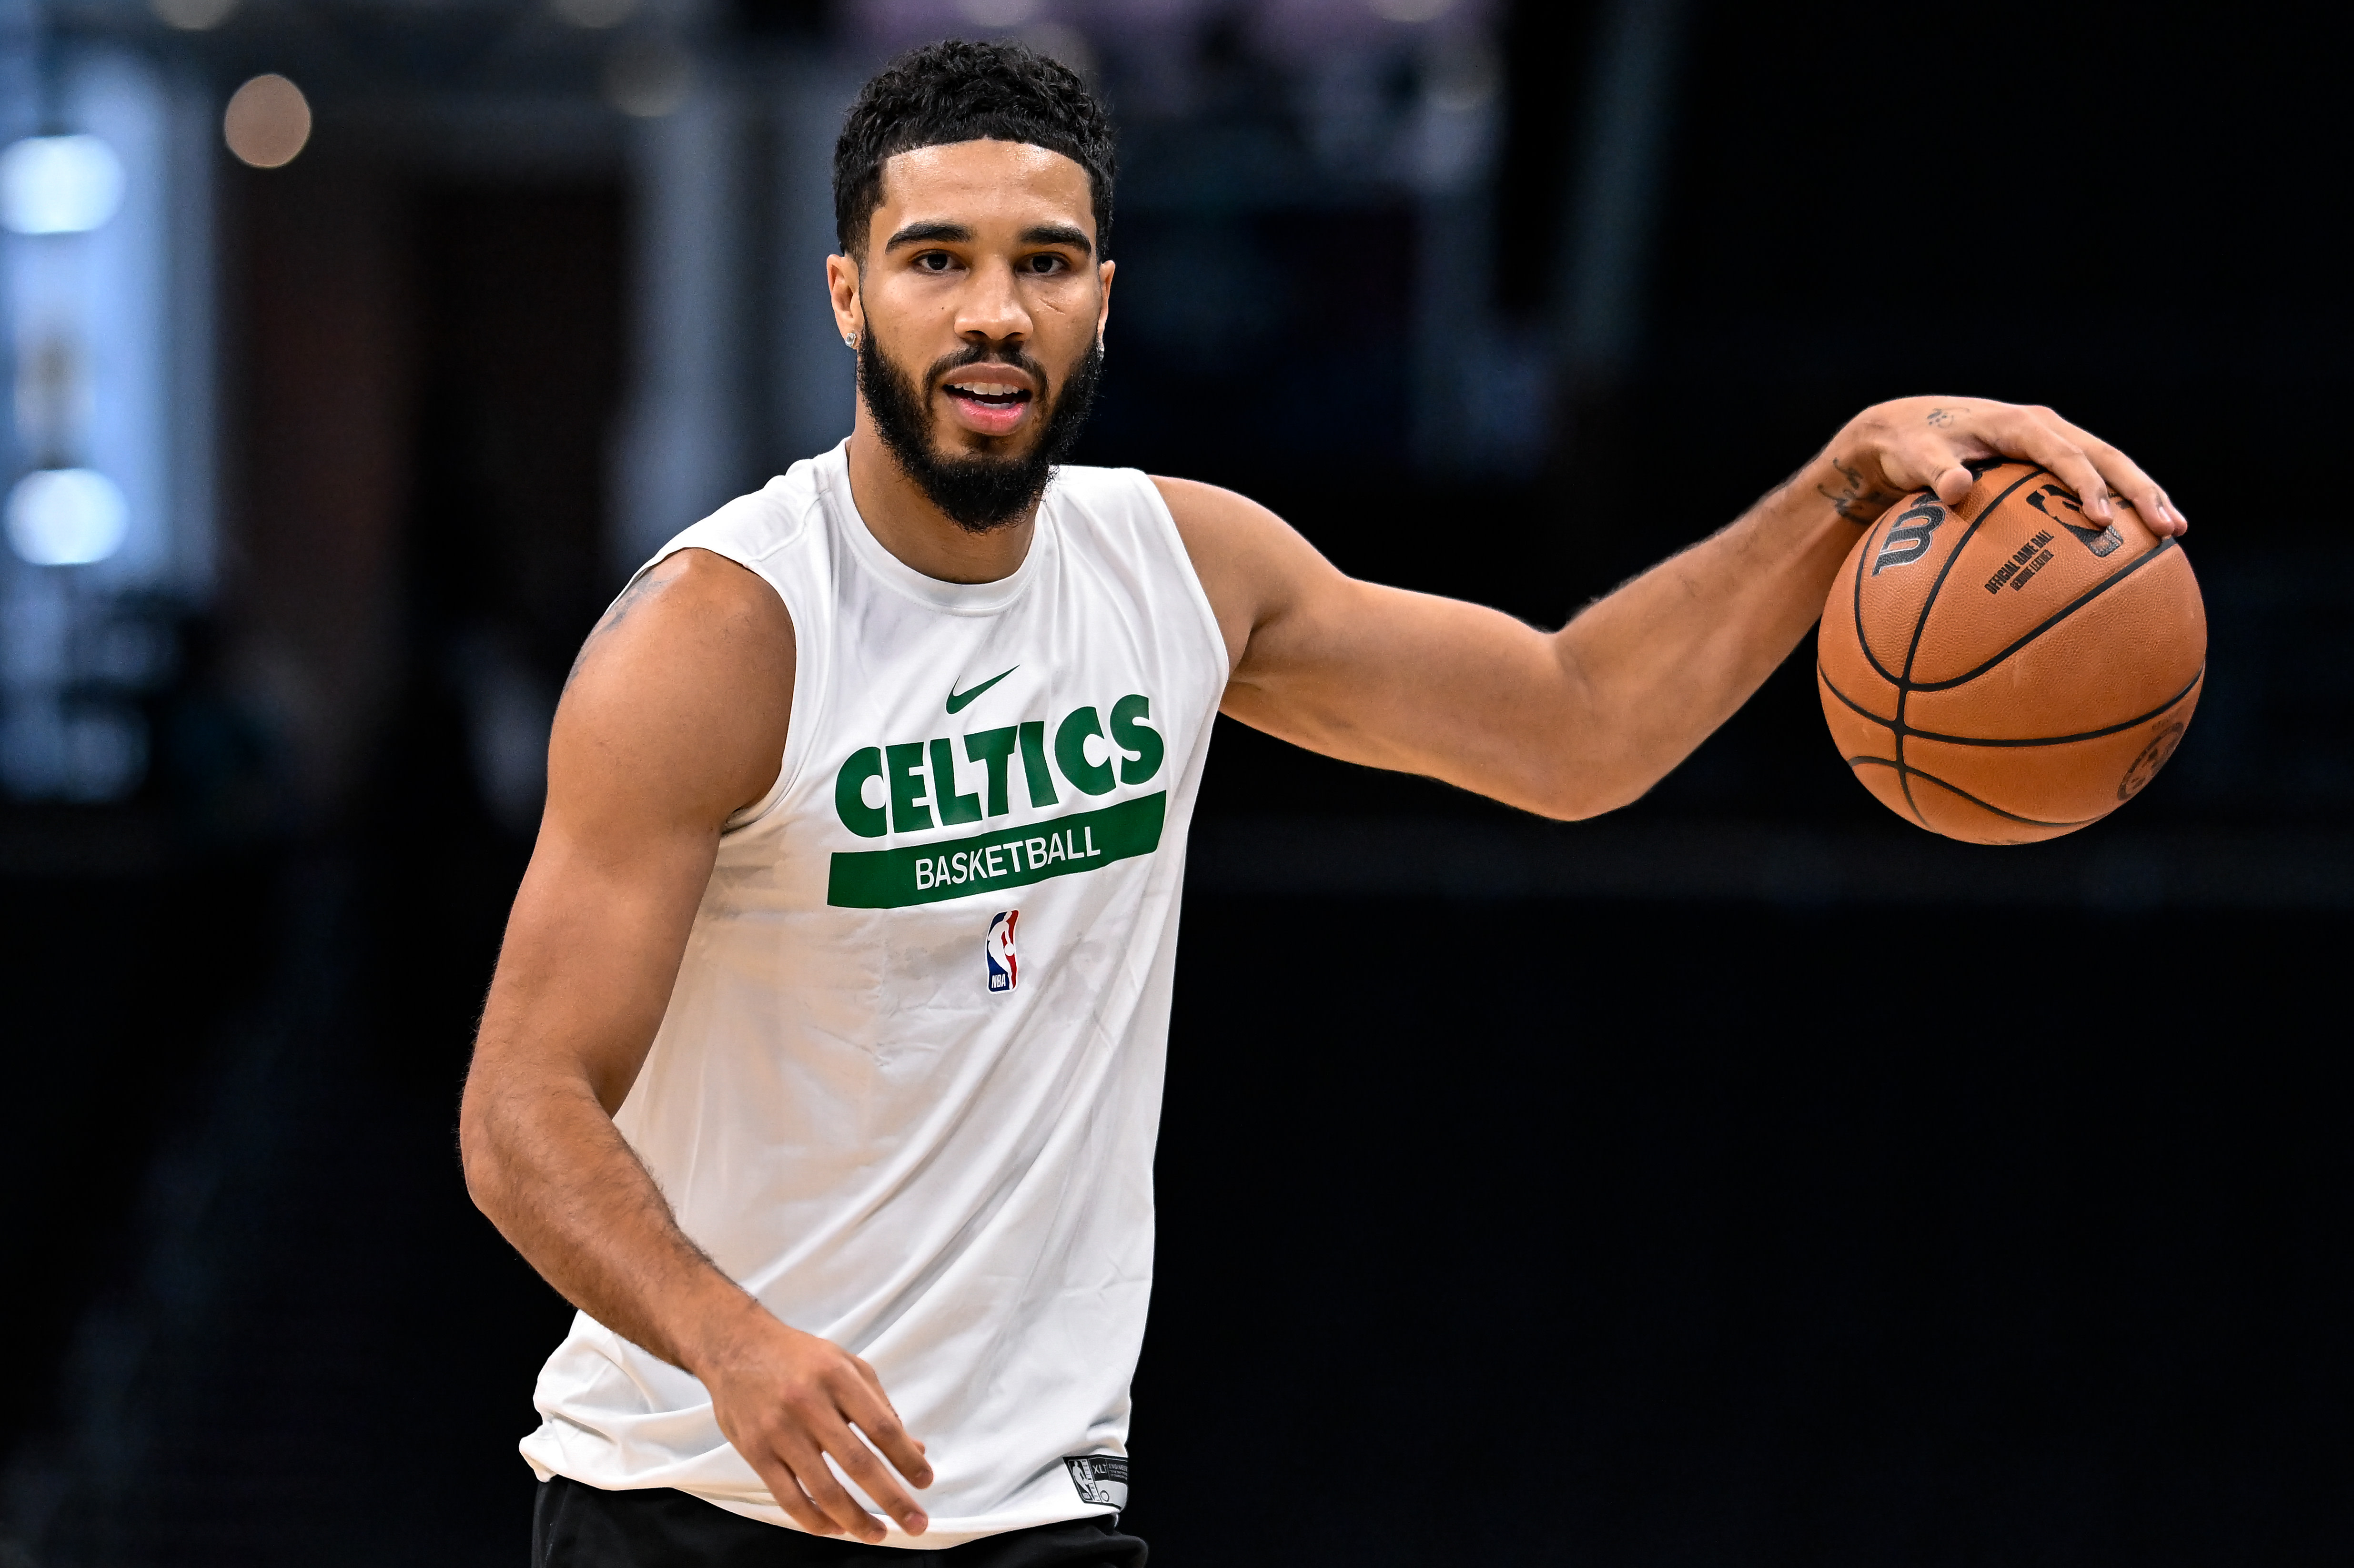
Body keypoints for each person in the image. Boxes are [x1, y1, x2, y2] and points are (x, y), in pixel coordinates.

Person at [457, 37, 2184, 1568]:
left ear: (1104, 300)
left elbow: (1572, 726)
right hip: (695, 1513)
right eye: (939, 261)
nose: (996, 309)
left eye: (1044, 263)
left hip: (1029, 1514)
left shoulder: (1185, 569)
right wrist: (728, 1336)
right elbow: (522, 1104)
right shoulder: (725, 631)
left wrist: (1837, 484)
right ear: (849, 296)